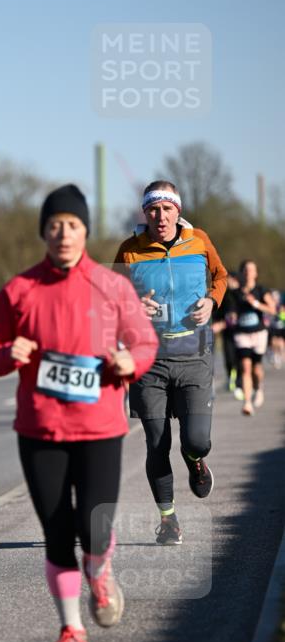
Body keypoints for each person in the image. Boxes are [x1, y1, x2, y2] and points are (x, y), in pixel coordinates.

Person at [0, 185, 158, 642]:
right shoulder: (20, 290)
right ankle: (72, 631)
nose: (63, 234)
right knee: (56, 533)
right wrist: (2, 354)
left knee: (93, 527)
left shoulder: (113, 286)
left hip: (99, 428)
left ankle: (100, 569)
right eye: (54, 225)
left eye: (72, 225)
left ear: (85, 231)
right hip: (40, 430)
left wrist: (127, 362)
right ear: (44, 232)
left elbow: (144, 343)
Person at [114, 181, 227, 546]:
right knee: (156, 443)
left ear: (177, 210)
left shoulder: (199, 241)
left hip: (194, 355)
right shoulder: (129, 251)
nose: (159, 216)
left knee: (197, 439)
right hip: (148, 361)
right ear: (144, 213)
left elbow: (221, 278)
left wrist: (212, 301)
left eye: (166, 208)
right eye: (152, 210)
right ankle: (168, 520)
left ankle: (195, 461)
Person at [228, 260, 276, 415]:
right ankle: (247, 403)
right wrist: (232, 316)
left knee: (256, 368)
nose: (248, 272)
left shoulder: (261, 290)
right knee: (245, 367)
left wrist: (255, 303)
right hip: (242, 334)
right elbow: (231, 311)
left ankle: (259, 387)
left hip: (259, 333)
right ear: (242, 273)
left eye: (251, 270)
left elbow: (272, 309)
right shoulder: (236, 293)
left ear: (256, 273)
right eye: (246, 270)